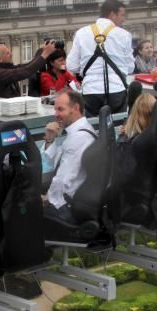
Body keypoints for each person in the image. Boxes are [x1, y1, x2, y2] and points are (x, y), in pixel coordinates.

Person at [67, 0, 134, 116]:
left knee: (92, 125)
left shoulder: (81, 33)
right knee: (118, 124)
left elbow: (72, 66)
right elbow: (130, 68)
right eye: (122, 15)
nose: (124, 19)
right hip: (116, 89)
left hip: (90, 90)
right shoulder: (124, 35)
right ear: (112, 14)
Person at [41, 89, 96, 221]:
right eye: (55, 110)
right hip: (76, 200)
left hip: (66, 208)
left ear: (75, 108)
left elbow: (63, 180)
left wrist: (47, 200)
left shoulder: (77, 139)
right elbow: (60, 161)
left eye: (60, 109)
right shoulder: (83, 130)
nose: (56, 114)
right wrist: (50, 139)